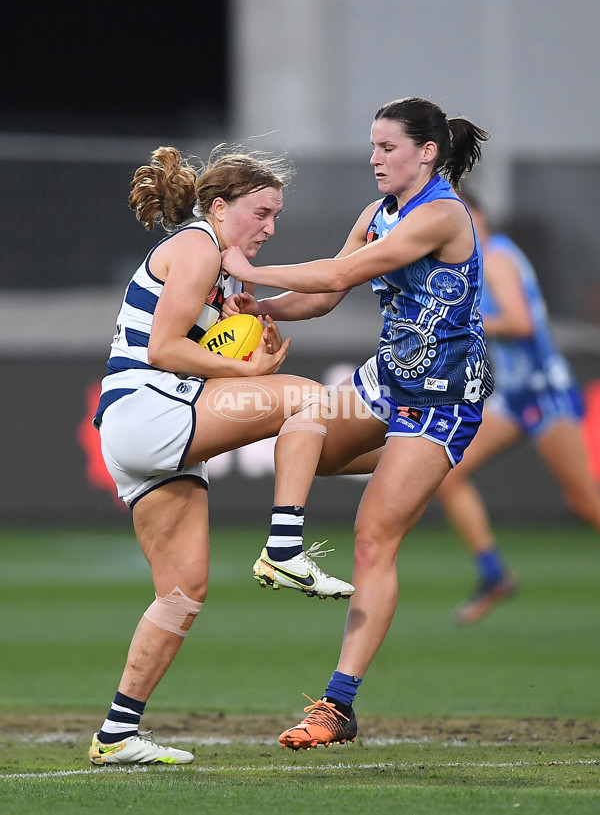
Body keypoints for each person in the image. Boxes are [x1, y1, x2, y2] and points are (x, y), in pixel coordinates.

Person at [222, 97, 493, 750]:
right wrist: (264, 306)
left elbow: (347, 270)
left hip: (441, 401)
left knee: (373, 535)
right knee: (302, 425)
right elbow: (323, 294)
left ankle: (337, 707)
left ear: (427, 152)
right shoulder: (377, 214)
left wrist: (250, 266)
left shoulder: (443, 215)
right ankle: (285, 547)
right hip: (385, 383)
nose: (374, 159)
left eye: (387, 147)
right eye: (372, 146)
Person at [87, 144, 354, 767]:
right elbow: (163, 348)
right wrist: (249, 370)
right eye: (260, 213)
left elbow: (317, 298)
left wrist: (357, 248)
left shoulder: (223, 269)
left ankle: (118, 734)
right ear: (219, 206)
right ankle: (284, 548)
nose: (269, 227)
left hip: (139, 432)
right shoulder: (198, 246)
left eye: (276, 216)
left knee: (181, 592)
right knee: (306, 401)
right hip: (150, 407)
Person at [435, 191, 600, 623]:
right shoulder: (475, 261)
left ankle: (494, 577)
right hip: (514, 396)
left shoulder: (497, 256)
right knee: (446, 471)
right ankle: (494, 575)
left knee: (585, 502)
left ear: (480, 217)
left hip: (544, 391)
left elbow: (520, 322)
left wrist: (462, 321)